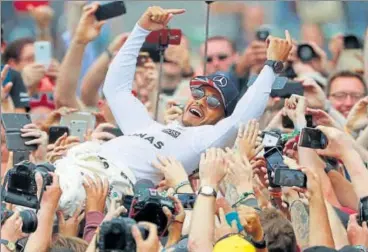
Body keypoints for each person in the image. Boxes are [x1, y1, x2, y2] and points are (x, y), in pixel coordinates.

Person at [54, 5, 292, 216]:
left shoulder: (201, 141)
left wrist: (271, 66)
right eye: (198, 94)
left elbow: (241, 119)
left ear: (222, 119)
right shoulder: (147, 126)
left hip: (97, 187)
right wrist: (141, 29)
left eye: (213, 103)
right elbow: (116, 89)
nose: (200, 102)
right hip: (74, 165)